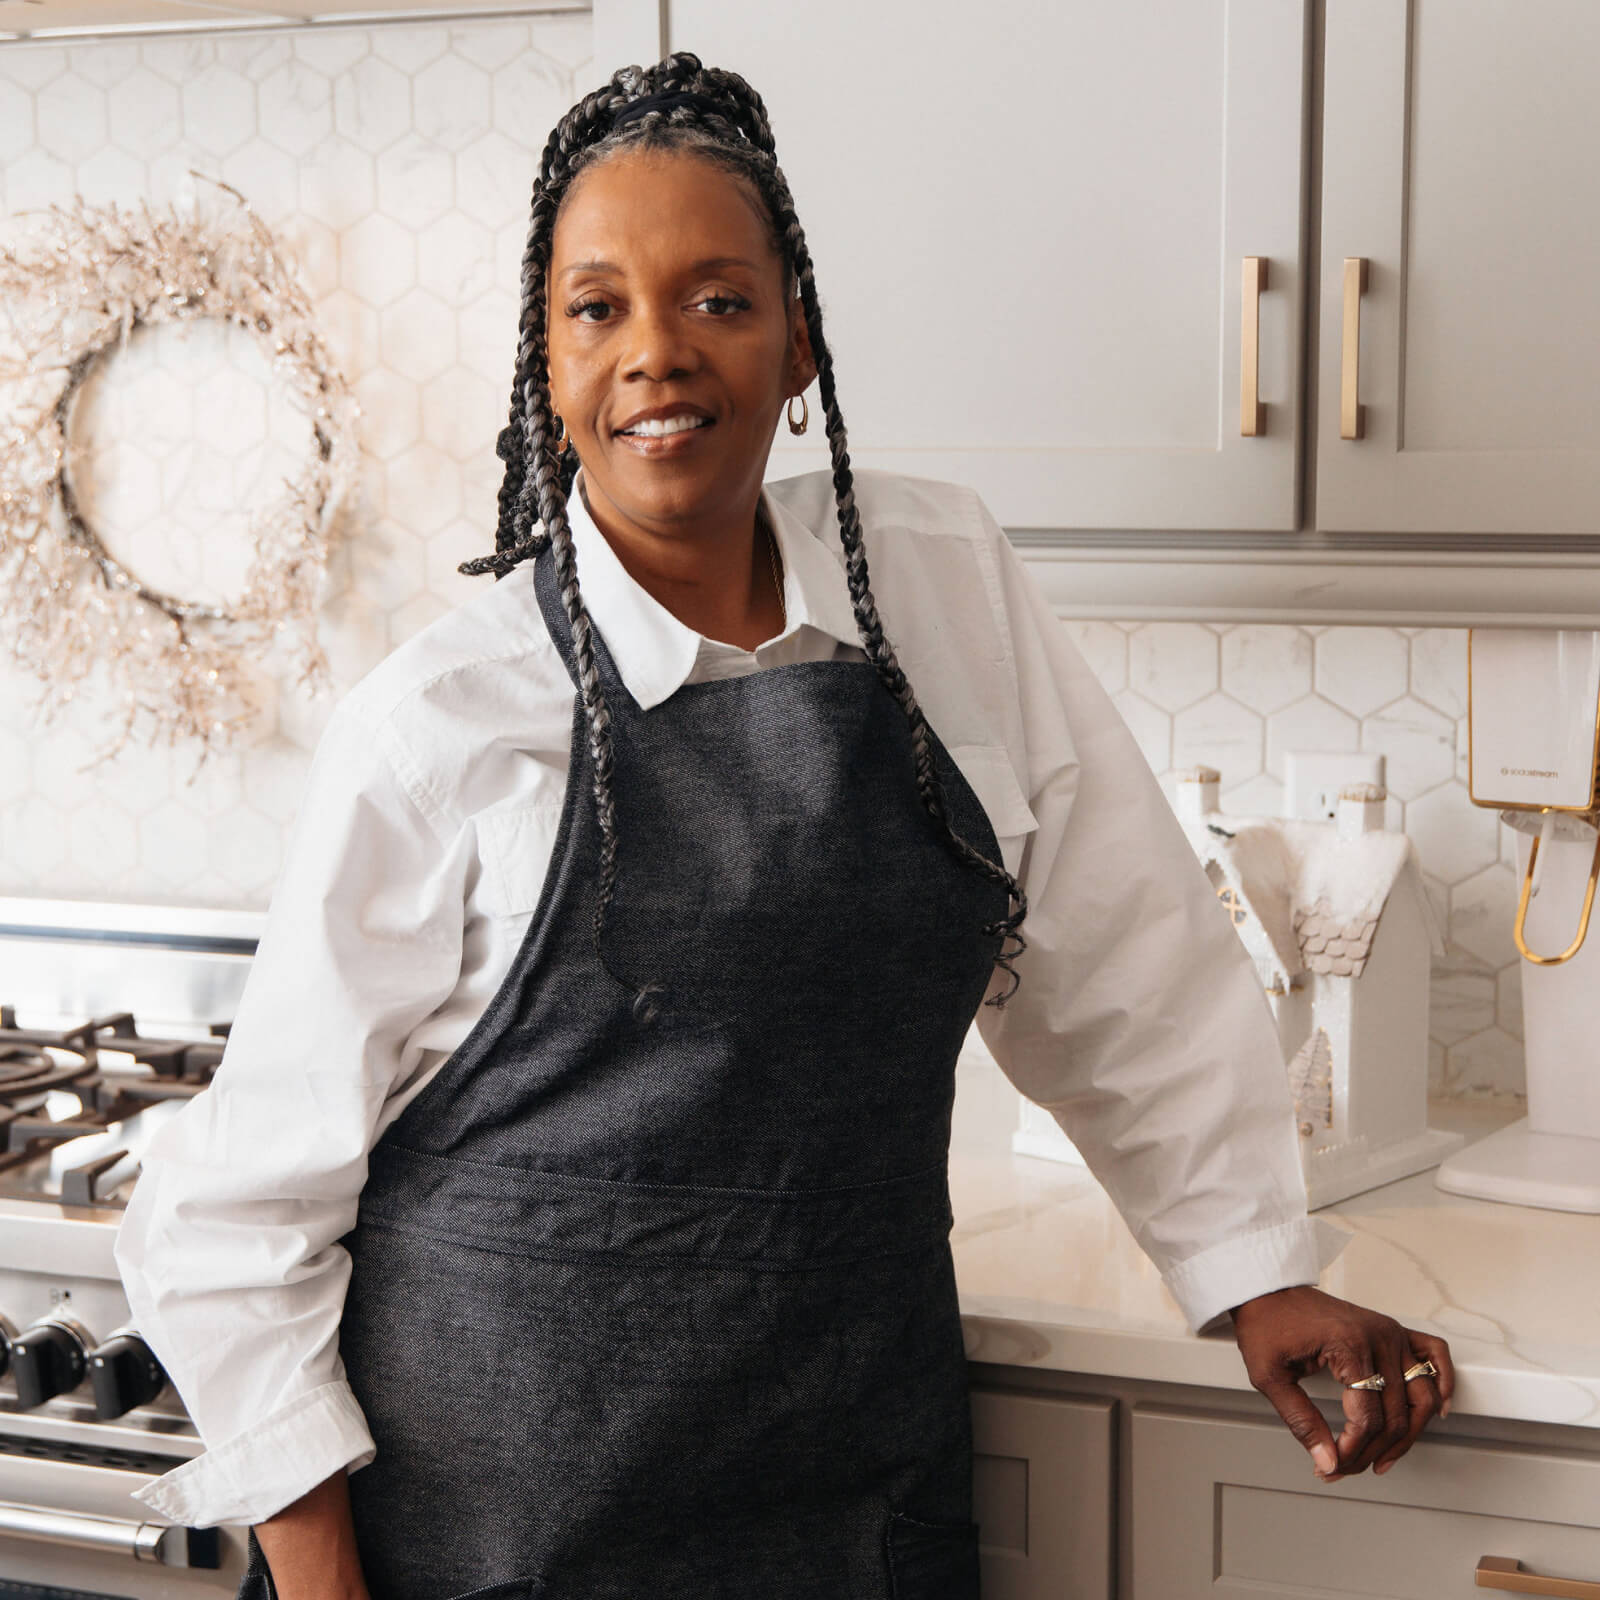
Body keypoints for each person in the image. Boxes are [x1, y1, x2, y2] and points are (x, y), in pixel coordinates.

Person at [114, 51, 1455, 1600]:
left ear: (799, 338)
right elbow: (233, 1216)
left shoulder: (940, 586)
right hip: (494, 1537)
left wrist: (1254, 1273)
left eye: (719, 299)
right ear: (546, 363)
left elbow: (1121, 956)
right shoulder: (445, 723)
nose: (656, 353)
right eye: (597, 308)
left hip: (851, 1492)